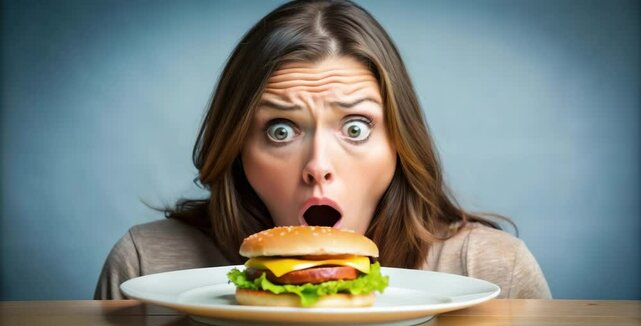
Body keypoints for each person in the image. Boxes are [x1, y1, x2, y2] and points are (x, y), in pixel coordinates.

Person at [95, 0, 551, 300]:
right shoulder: (145, 265)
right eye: (279, 130)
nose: (317, 167)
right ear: (235, 146)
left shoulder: (494, 269)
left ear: (400, 144)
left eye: (355, 128)